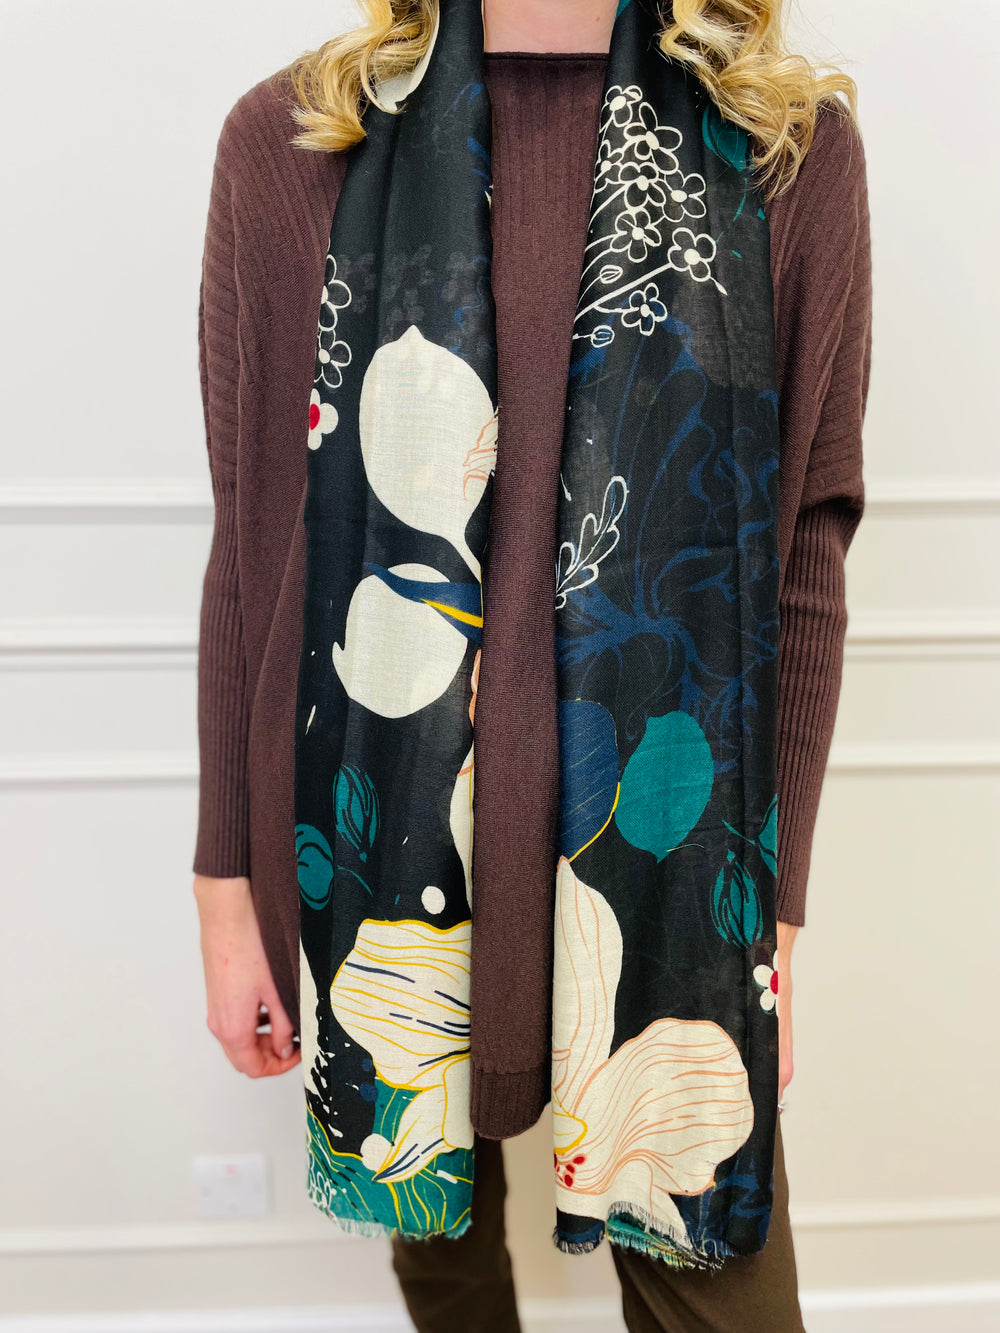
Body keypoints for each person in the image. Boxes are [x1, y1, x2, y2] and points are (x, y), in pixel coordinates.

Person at [191, 1, 872, 1329]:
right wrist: (226, 894)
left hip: (672, 874)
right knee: (437, 1247)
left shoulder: (783, 151)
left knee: (715, 1286)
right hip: (375, 853)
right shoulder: (296, 141)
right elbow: (254, 555)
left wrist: (771, 918)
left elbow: (804, 555)